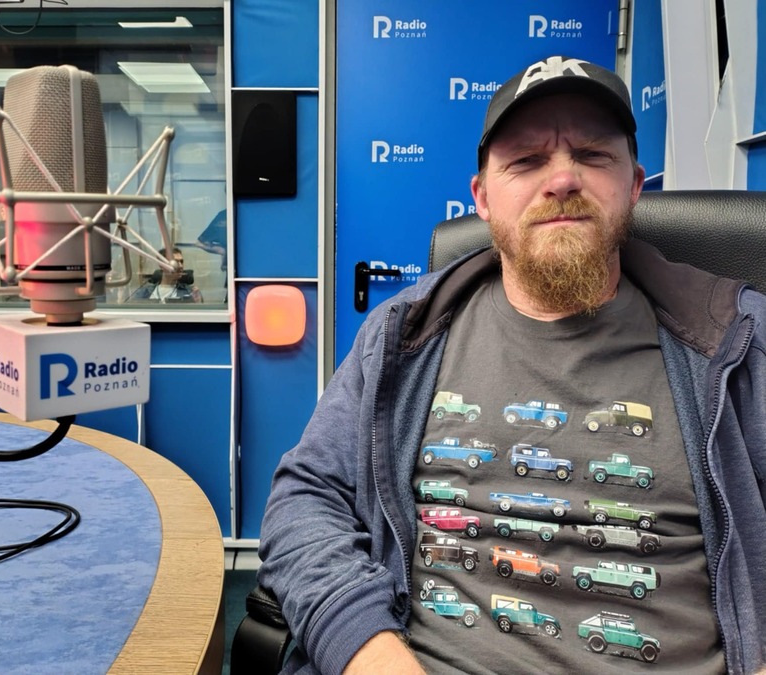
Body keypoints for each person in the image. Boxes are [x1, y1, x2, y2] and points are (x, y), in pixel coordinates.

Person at [257, 55, 766, 675]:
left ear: (634, 185)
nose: (562, 179)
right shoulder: (402, 335)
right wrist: (371, 653)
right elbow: (306, 498)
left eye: (592, 154)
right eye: (526, 160)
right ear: (483, 199)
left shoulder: (737, 342)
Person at [132, 247, 202, 303]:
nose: (180, 266)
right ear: (162, 265)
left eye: (181, 261)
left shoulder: (190, 292)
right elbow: (133, 310)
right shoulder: (145, 291)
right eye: (175, 262)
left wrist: (197, 303)